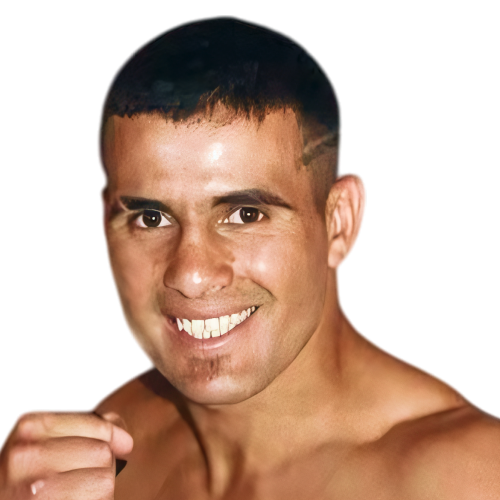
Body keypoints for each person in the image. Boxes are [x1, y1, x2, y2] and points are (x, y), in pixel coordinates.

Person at [1, 17, 499, 500]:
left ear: (339, 221)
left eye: (245, 214)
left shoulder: (467, 478)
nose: (192, 275)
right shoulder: (104, 450)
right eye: (152, 218)